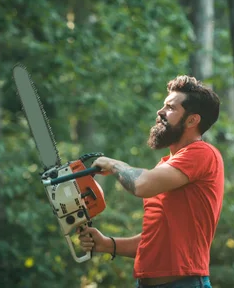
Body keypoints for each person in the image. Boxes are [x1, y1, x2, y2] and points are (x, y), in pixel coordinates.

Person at [79, 75, 224, 288]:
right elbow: (154, 241)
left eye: (171, 108)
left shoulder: (202, 153)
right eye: (163, 105)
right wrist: (107, 244)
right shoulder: (165, 166)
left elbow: (142, 184)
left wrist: (114, 165)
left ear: (192, 120)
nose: (160, 112)